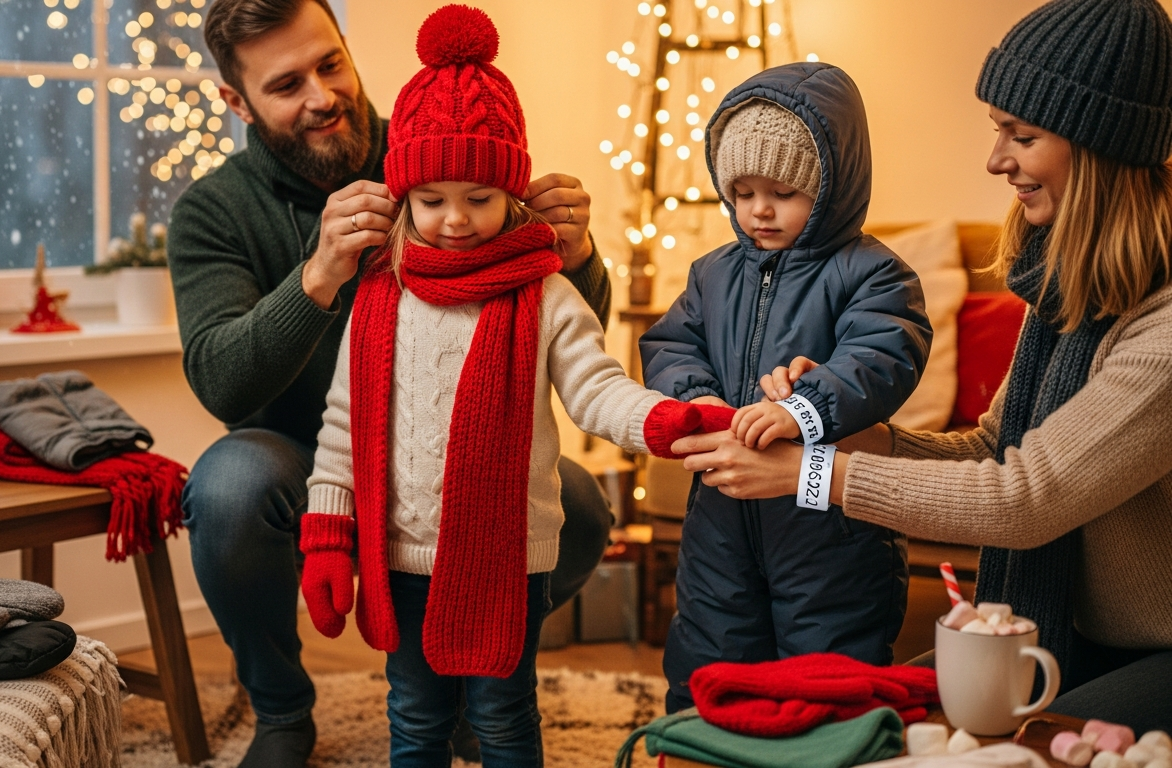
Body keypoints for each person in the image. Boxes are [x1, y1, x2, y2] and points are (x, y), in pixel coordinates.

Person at [673, 0, 1172, 733]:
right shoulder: (1063, 289)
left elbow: (1022, 499)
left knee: (996, 744)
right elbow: (988, 449)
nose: (996, 160)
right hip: (1069, 634)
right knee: (857, 714)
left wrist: (812, 476)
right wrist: (843, 437)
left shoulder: (1160, 329)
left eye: (1021, 136)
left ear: (1098, 149)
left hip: (1156, 653)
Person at [169, 0, 615, 764]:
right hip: (305, 454)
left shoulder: (445, 136)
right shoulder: (213, 211)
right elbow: (221, 381)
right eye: (286, 84)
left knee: (577, 499)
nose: (321, 95)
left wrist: (575, 258)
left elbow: (567, 342)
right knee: (227, 485)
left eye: (330, 63)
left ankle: (474, 673)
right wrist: (316, 276)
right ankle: (282, 712)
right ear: (236, 101)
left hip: (454, 459)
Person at [293, 8, 718, 764]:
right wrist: (330, 535)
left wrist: (665, 419)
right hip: (398, 555)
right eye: (432, 200)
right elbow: (343, 425)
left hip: (510, 557)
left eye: (479, 198)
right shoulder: (382, 293)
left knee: (505, 715)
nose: (455, 220)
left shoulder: (544, 291)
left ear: (514, 194)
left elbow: (596, 388)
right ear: (403, 197)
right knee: (415, 717)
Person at [638, 62, 933, 713]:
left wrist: (805, 407)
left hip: (830, 526)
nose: (758, 209)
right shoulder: (711, 273)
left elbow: (883, 353)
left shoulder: (873, 274)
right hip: (720, 510)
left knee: (828, 666)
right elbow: (670, 343)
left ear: (829, 187)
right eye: (741, 191)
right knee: (709, 652)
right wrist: (699, 401)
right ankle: (705, 748)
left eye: (782, 191)